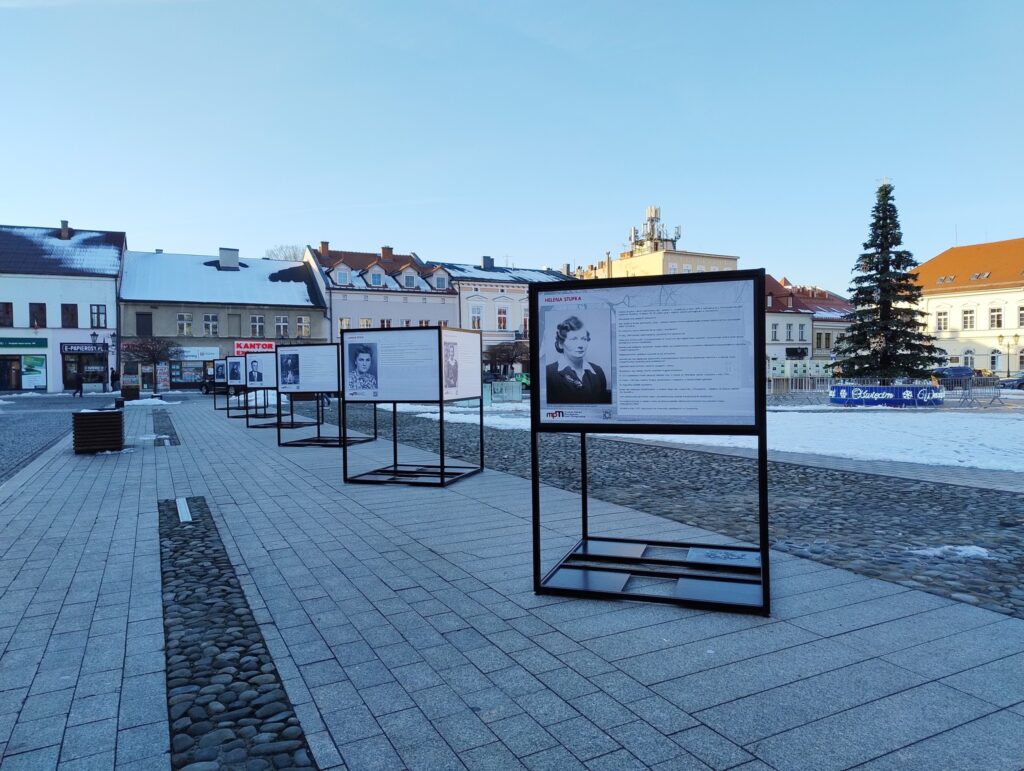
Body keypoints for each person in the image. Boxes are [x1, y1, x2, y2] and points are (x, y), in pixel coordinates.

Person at [545, 315, 611, 404]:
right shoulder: (548, 373)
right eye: (574, 339)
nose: (580, 345)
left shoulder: (597, 371)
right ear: (560, 344)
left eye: (584, 339)